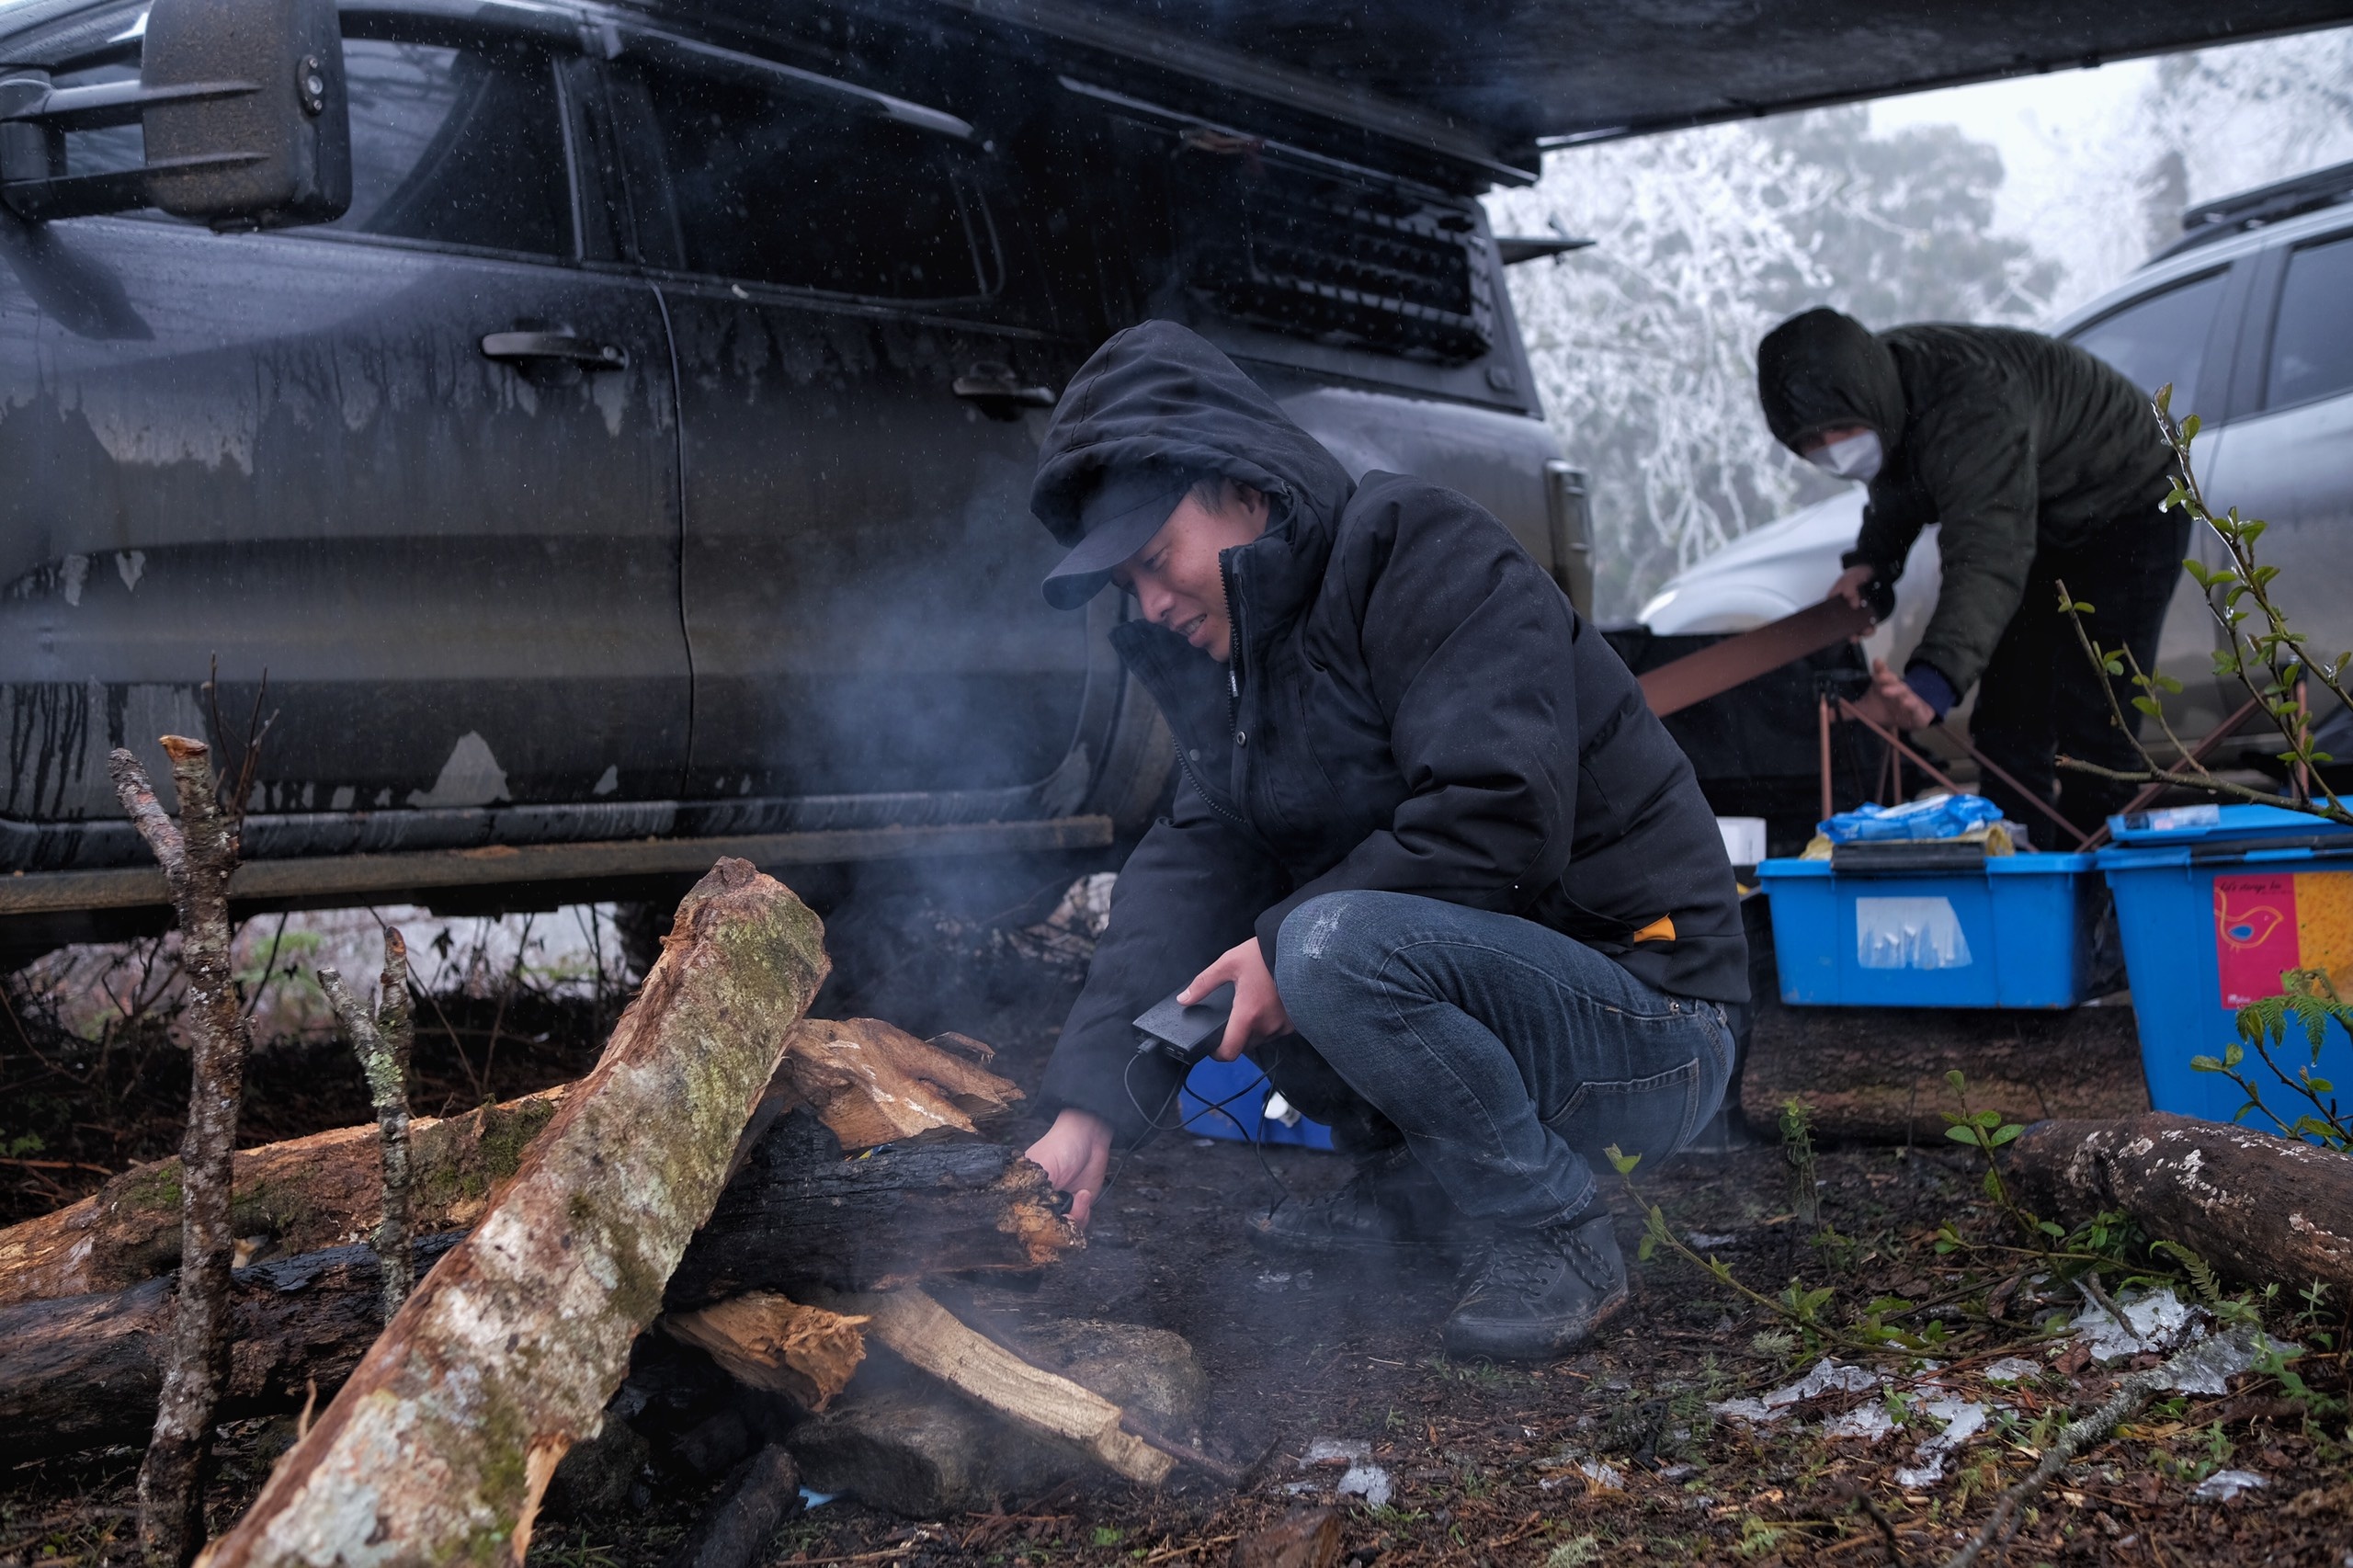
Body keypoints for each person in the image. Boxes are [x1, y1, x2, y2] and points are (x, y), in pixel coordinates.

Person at [1017, 321, 1747, 1359]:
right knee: (1282, 944)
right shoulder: (1244, 662)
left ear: (1248, 491)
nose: (1149, 603)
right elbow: (1186, 870)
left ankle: (1555, 1231)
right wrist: (1089, 1106)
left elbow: (1499, 807)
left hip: (1651, 1021)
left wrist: (1282, 949)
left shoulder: (1421, 551)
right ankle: (1413, 1194)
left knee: (1318, 946)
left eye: (1153, 561)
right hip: (1517, 1014)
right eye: (1123, 589)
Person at [1756, 307, 2187, 844]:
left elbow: (1987, 551)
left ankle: (2099, 893)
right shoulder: (1884, 394)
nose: (1835, 450)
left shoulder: (1970, 400)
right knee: (2009, 720)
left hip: (2132, 502)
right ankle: (2019, 875)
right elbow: (1903, 482)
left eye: (1842, 430)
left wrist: (1933, 680)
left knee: (2097, 718)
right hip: (2038, 515)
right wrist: (1873, 564)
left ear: (1871, 401)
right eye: (1813, 443)